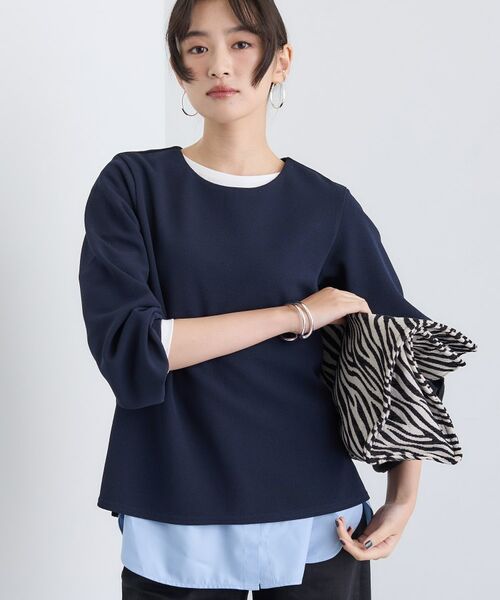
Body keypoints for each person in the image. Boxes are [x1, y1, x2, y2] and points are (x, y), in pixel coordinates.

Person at [78, 1, 445, 598]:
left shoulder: (327, 207)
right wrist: (296, 315)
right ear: (179, 68)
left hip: (318, 519)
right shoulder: (133, 186)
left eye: (242, 44)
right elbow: (132, 345)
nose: (219, 65)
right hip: (175, 507)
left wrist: (403, 498)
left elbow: (402, 350)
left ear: (281, 61)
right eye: (198, 48)